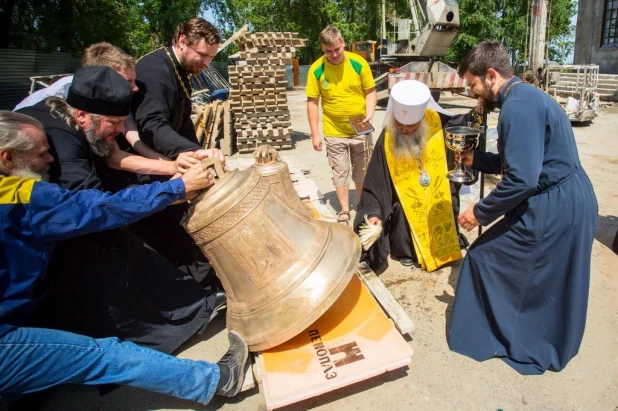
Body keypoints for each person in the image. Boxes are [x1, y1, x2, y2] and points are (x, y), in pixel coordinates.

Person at [0, 110, 247, 405]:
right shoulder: (19, 197)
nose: (51, 159)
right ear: (8, 158)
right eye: (41, 154)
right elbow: (103, 208)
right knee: (100, 356)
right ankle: (218, 380)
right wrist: (177, 187)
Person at [17, 66, 224, 355]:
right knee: (109, 249)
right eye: (114, 122)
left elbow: (113, 156)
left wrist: (173, 166)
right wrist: (174, 191)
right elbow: (97, 207)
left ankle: (192, 302)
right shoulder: (59, 139)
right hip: (59, 225)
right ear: (81, 117)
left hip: (75, 208)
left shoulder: (86, 120)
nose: (120, 130)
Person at [448, 41, 598, 375]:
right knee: (546, 273)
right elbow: (520, 161)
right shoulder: (525, 97)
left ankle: (511, 338)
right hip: (565, 197)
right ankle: (534, 333)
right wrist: (478, 159)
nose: (474, 96)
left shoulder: (517, 107)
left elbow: (522, 180)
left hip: (556, 204)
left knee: (483, 258)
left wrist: (479, 212)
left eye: (473, 86)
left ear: (490, 76)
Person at [353, 80, 474, 272]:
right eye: (399, 124)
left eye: (411, 126)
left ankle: (446, 247)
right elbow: (376, 182)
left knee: (445, 195)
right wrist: (374, 214)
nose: (404, 130)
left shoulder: (438, 124)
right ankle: (407, 251)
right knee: (402, 204)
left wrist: (479, 111)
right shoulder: (387, 137)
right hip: (403, 198)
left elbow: (466, 125)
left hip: (435, 189)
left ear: (423, 119)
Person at [306, 25, 377, 225]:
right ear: (322, 48)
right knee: (340, 171)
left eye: (337, 49)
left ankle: (362, 206)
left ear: (343, 43)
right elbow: (312, 102)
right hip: (334, 131)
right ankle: (345, 211)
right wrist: (315, 134)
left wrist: (370, 113)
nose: (334, 54)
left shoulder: (358, 64)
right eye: (328, 51)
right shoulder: (317, 69)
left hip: (360, 130)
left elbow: (370, 91)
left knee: (362, 171)